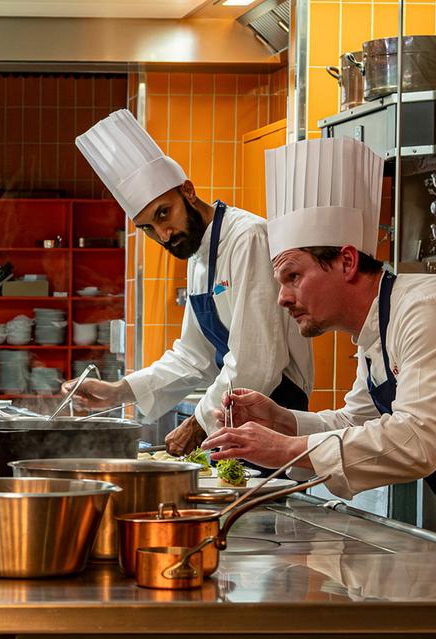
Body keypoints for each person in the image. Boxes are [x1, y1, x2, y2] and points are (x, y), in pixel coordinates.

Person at [203, 136, 436, 568]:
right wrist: (282, 421)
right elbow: (355, 421)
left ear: (347, 262)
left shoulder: (431, 310)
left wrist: (284, 449)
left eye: (293, 276)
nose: (282, 297)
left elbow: (417, 440)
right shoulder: (377, 327)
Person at [60, 110, 312, 455]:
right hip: (235, 422)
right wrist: (119, 391)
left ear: (188, 192)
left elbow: (257, 361)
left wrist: (198, 422)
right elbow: (194, 357)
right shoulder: (197, 254)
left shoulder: (247, 237)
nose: (163, 235)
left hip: (274, 418)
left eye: (164, 213)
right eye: (148, 228)